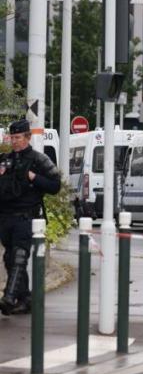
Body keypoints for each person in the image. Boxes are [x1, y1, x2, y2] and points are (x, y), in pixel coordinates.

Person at [0, 119, 61, 316]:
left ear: (28, 137)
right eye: (12, 137)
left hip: (26, 217)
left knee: (19, 256)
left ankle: (8, 298)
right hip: (6, 217)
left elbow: (55, 186)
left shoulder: (39, 159)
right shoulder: (4, 159)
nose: (14, 141)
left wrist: (35, 177)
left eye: (18, 137)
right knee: (10, 258)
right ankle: (25, 299)